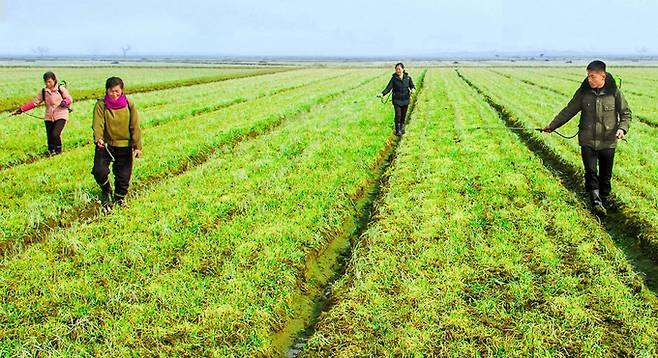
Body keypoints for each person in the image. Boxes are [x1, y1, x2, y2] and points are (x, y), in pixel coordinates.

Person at [542, 60, 631, 214]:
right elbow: (569, 110)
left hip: (608, 141)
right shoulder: (583, 92)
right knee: (590, 172)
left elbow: (626, 114)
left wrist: (622, 129)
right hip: (587, 140)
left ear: (602, 76)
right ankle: (595, 202)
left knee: (605, 176)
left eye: (593, 76)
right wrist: (552, 126)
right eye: (588, 76)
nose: (589, 79)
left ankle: (604, 199)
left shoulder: (615, 92)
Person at [92, 77, 142, 206]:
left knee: (123, 176)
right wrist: (98, 138)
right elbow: (98, 124)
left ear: (122, 91)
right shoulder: (101, 105)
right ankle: (106, 189)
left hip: (124, 145)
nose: (114, 94)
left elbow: (134, 126)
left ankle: (119, 199)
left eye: (117, 91)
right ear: (106, 90)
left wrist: (137, 146)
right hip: (106, 144)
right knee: (99, 170)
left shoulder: (129, 104)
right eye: (111, 91)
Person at [13, 71, 73, 155]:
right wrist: (21, 109)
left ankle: (59, 151)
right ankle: (51, 152)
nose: (48, 84)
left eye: (49, 81)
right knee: (50, 137)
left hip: (61, 115)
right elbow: (34, 103)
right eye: (46, 82)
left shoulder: (60, 89)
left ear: (54, 80)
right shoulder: (43, 92)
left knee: (55, 134)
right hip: (49, 116)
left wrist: (65, 102)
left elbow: (69, 98)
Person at [378, 63, 416, 136]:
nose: (397, 70)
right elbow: (388, 88)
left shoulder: (408, 78)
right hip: (397, 100)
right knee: (398, 115)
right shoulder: (393, 79)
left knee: (403, 115)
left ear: (403, 69)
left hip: (405, 99)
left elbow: (412, 86)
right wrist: (382, 94)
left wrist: (413, 89)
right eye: (396, 69)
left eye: (399, 69)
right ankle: (398, 130)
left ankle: (401, 128)